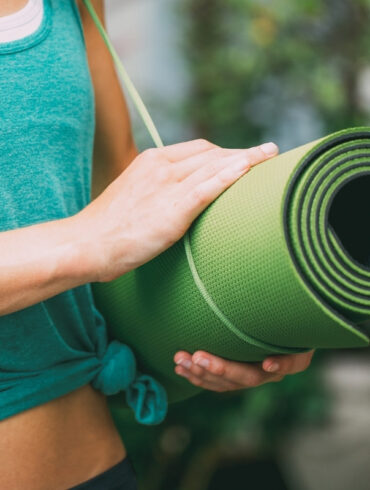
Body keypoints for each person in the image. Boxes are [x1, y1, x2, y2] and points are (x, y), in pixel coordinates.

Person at [0, 0, 315, 488]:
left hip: (96, 467)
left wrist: (257, 311)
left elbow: (119, 202)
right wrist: (87, 238)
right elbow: (103, 232)